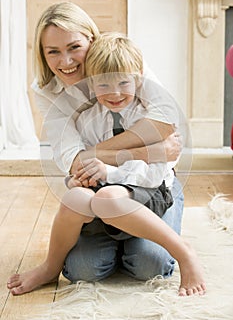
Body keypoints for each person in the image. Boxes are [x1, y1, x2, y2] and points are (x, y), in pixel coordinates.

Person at [7, 32, 205, 297]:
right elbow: (81, 161)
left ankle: (183, 252)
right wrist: (80, 178)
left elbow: (155, 172)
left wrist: (108, 168)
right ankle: (50, 267)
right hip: (102, 196)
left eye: (123, 82)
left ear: (138, 79)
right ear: (91, 85)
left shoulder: (147, 112)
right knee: (77, 205)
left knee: (143, 255)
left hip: (145, 192)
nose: (114, 93)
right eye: (103, 85)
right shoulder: (88, 117)